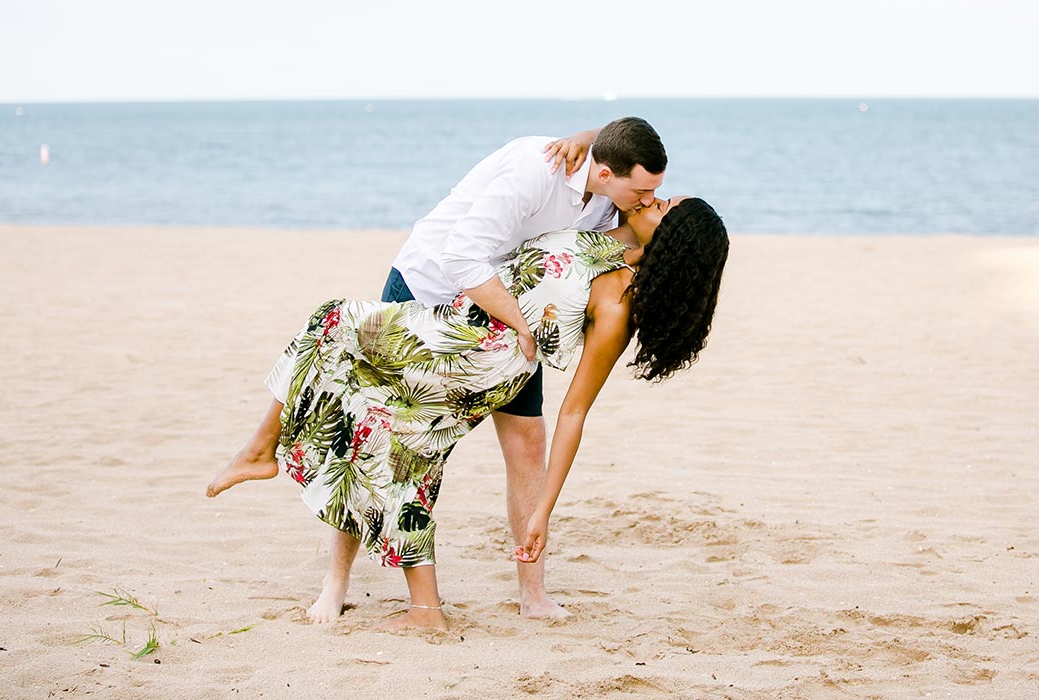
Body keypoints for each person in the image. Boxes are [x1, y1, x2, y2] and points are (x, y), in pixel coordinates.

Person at [206, 195, 730, 632]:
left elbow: (574, 413)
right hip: (456, 324)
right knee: (402, 451)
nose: (654, 200)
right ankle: (426, 611)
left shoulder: (616, 306)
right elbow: (602, 163)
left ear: (673, 243)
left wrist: (542, 513)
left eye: (666, 208)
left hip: (478, 357)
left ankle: (259, 450)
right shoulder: (604, 239)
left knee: (335, 319)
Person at [363, 116, 668, 621]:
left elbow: (619, 153)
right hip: (429, 289)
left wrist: (589, 136)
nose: (648, 198)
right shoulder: (537, 170)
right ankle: (338, 580)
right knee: (396, 440)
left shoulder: (609, 190)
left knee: (528, 443)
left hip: (504, 311)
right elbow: (462, 256)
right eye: (642, 190)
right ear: (608, 173)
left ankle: (533, 594)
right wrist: (521, 326)